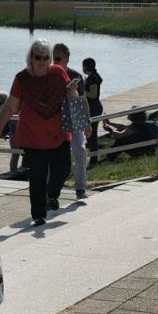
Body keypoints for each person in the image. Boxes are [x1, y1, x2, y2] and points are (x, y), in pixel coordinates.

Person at [0, 39, 77, 227]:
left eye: (46, 57)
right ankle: (38, 215)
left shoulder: (58, 72)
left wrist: (72, 92)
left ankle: (52, 194)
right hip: (32, 137)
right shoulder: (22, 78)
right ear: (30, 58)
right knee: (36, 177)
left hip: (59, 135)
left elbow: (71, 96)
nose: (42, 61)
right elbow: (10, 107)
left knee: (63, 168)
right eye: (38, 57)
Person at [53, 43, 89, 200]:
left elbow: (82, 100)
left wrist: (87, 121)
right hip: (56, 120)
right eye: (53, 59)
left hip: (74, 118)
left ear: (67, 59)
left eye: (58, 59)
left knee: (80, 151)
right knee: (55, 156)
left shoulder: (76, 76)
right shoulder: (49, 75)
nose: (55, 62)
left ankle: (80, 188)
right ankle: (53, 191)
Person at [82, 57, 103, 156]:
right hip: (93, 106)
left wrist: (81, 91)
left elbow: (93, 95)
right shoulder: (93, 76)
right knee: (90, 132)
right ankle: (92, 154)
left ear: (86, 67)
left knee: (92, 133)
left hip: (93, 107)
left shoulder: (93, 78)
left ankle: (94, 157)